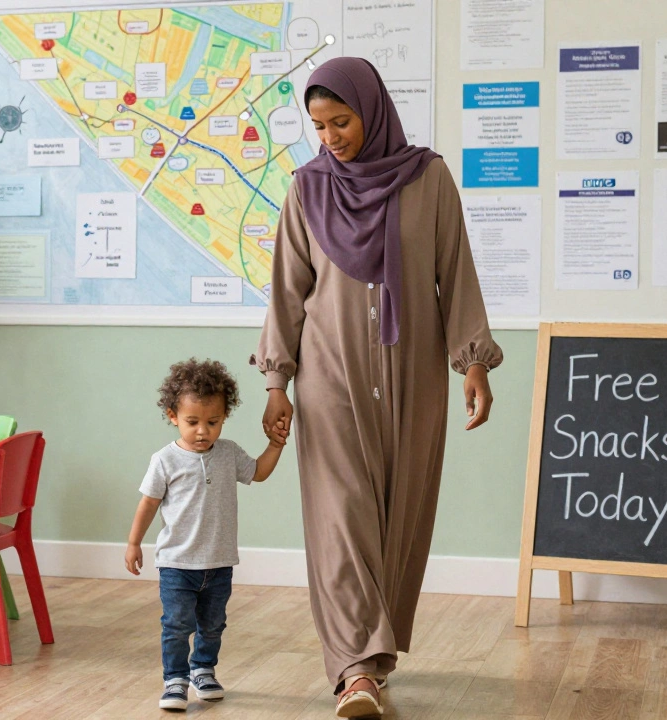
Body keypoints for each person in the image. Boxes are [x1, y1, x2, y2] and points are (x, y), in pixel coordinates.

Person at [255, 58, 503, 718]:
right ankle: (353, 669)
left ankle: (375, 654)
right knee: (341, 518)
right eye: (318, 125)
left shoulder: (427, 179)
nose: (329, 136)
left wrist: (473, 361)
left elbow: (456, 272)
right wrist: (277, 381)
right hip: (329, 373)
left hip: (414, 372)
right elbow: (287, 290)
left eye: (341, 121)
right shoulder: (306, 189)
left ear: (374, 110)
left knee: (399, 515)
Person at [125, 359, 288, 711]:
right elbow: (148, 504)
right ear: (173, 416)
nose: (203, 431)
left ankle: (203, 669)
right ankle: (175, 680)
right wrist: (134, 542)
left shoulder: (228, 453)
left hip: (219, 562)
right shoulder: (164, 460)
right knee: (176, 624)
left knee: (213, 625)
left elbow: (257, 473)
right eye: (192, 422)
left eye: (212, 422)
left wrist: (275, 445)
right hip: (176, 564)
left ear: (224, 417)